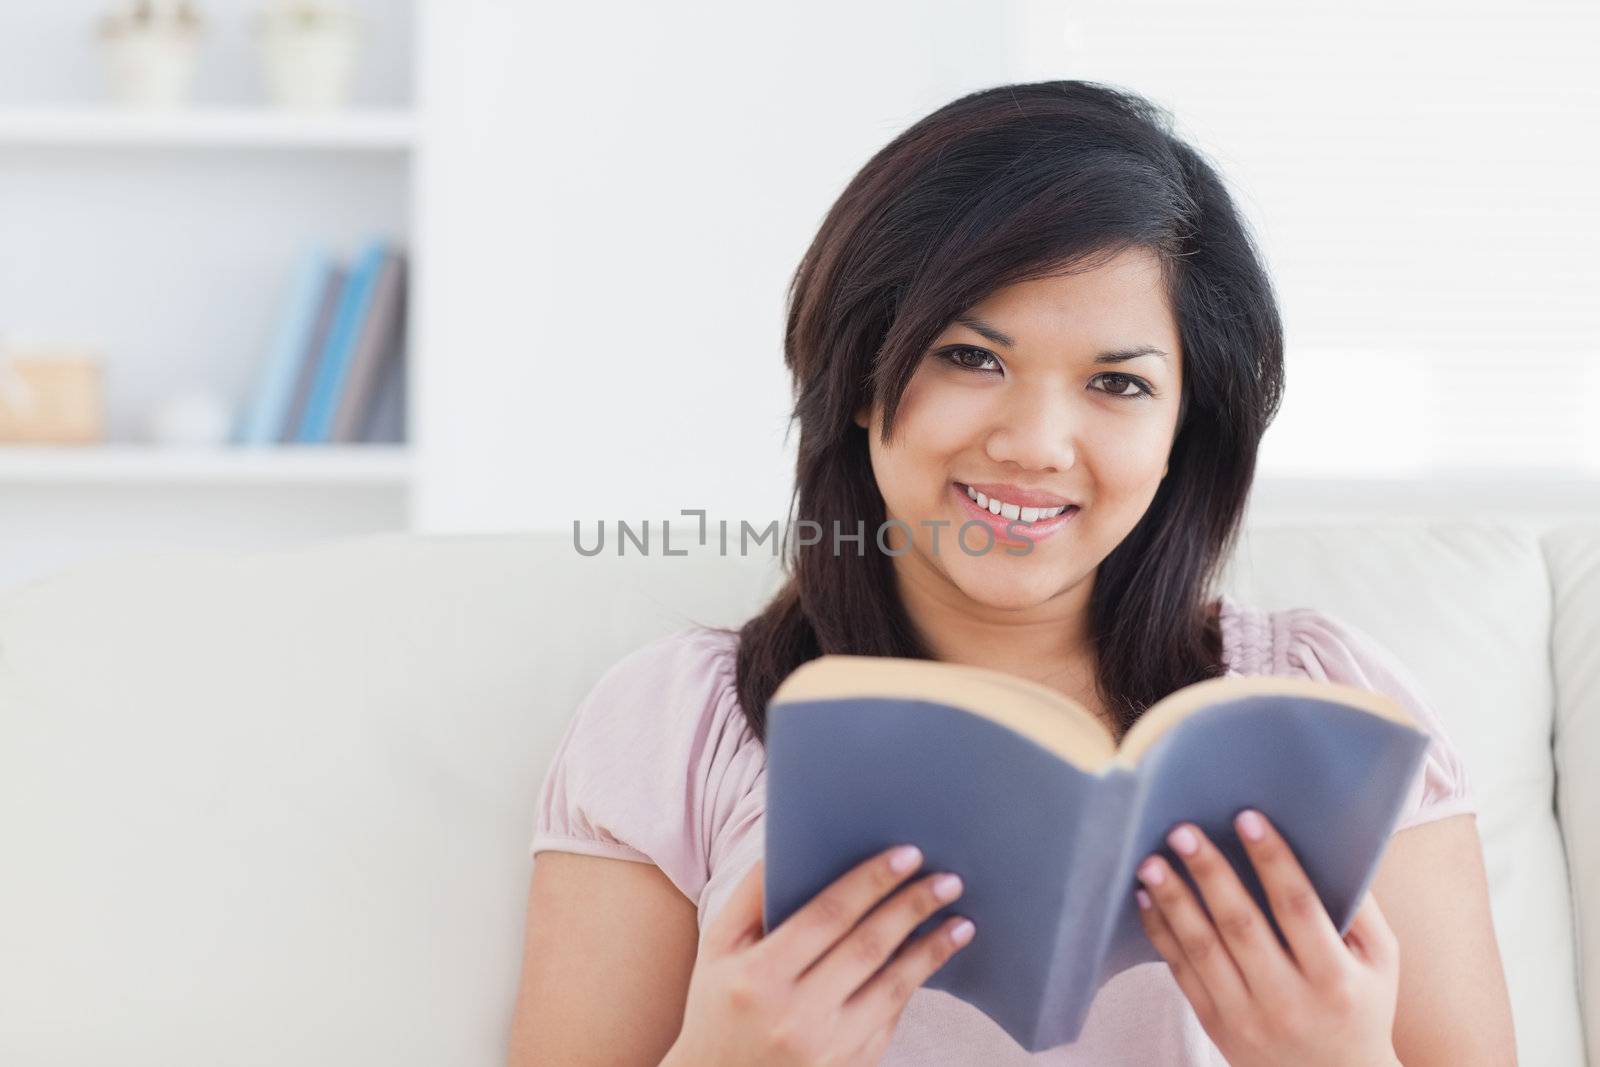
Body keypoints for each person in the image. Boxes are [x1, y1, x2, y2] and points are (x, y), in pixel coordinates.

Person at [506, 80, 1515, 1065]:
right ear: (859, 377)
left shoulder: (1334, 711)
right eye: (970, 358)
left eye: (1117, 382)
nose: (1035, 444)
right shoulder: (675, 726)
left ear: (1183, 429)